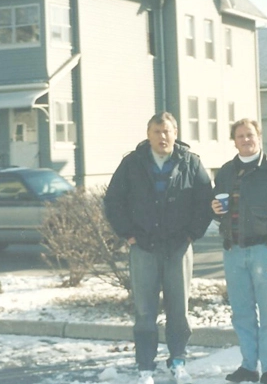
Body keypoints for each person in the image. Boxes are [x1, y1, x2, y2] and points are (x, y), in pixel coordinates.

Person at [104, 112, 213, 384]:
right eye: (156, 132)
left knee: (179, 310)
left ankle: (178, 361)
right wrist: (128, 235)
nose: (162, 137)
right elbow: (113, 201)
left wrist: (190, 235)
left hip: (178, 247)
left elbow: (204, 202)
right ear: (148, 134)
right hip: (143, 247)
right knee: (145, 311)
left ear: (175, 133)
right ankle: (145, 368)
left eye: (167, 131)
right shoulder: (132, 163)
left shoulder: (191, 162)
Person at [211, 118, 267, 384]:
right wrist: (214, 210)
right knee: (241, 312)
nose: (246, 140)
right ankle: (249, 365)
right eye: (240, 136)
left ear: (259, 137)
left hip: (265, 250)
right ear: (234, 140)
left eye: (250, 135)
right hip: (234, 251)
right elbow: (217, 207)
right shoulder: (227, 171)